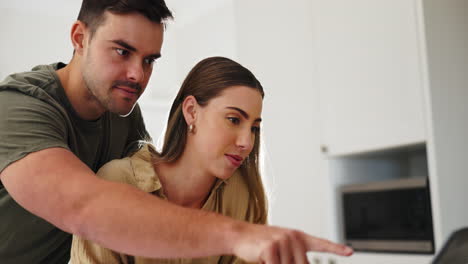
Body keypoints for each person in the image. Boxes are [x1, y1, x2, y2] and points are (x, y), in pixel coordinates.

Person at [0, 1, 353, 264]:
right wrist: (238, 235)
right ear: (80, 37)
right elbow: (84, 206)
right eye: (122, 51)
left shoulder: (123, 113)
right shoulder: (19, 107)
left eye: (150, 60)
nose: (138, 74)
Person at [71, 56, 268, 263]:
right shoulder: (115, 184)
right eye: (233, 120)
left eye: (254, 128)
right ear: (191, 111)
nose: (247, 142)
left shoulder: (243, 197)